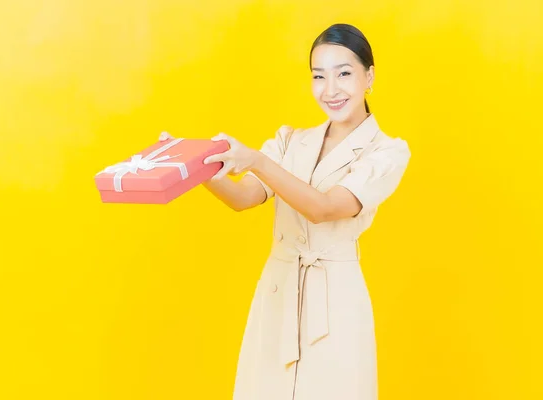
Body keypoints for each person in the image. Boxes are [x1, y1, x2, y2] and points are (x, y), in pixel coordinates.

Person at [160, 23, 411, 400]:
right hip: (278, 289)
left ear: (369, 75)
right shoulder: (290, 140)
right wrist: (193, 165)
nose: (331, 89)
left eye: (344, 73)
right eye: (318, 76)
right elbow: (243, 197)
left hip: (335, 301)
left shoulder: (388, 152)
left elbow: (324, 208)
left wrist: (257, 160)